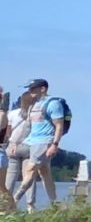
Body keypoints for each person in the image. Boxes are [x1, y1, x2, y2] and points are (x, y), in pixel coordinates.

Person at [14, 79, 69, 209]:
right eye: (29, 89)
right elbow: (28, 125)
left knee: (31, 169)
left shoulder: (53, 104)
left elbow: (59, 125)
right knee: (45, 173)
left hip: (45, 141)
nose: (30, 91)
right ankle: (55, 203)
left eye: (33, 88)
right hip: (32, 141)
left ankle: (13, 200)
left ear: (43, 89)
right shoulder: (34, 105)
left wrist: (55, 144)